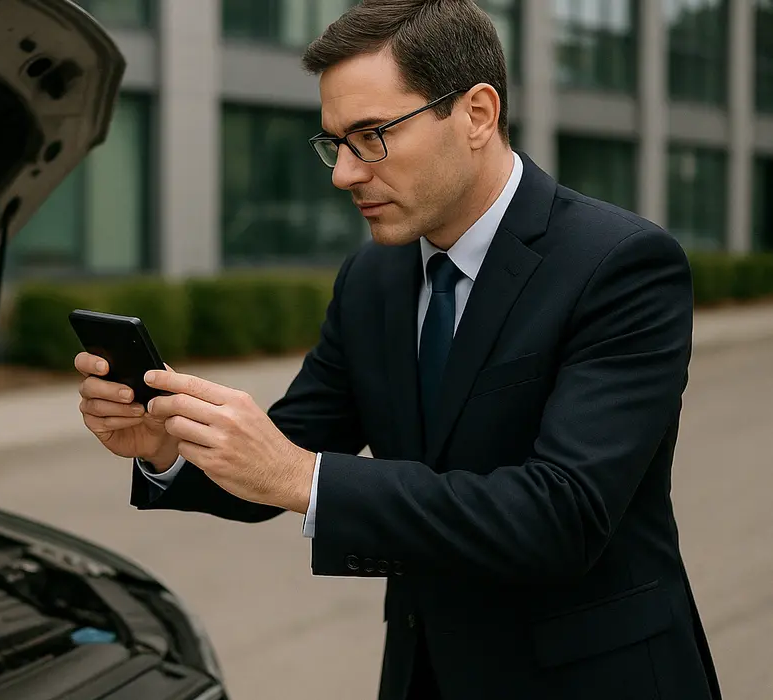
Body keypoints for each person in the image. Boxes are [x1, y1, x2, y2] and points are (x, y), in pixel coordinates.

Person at [73, 0, 721, 698]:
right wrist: (171, 443)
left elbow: (562, 515)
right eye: (334, 143)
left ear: (476, 113)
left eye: (371, 135)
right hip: (426, 674)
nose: (344, 174)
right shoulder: (372, 278)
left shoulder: (622, 264)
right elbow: (287, 447)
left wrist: (305, 478)